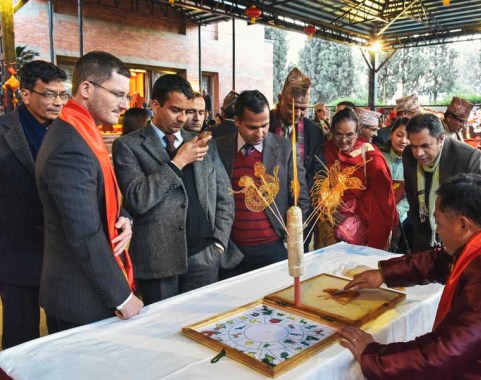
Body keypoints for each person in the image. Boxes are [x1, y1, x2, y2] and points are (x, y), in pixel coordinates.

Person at [338, 173, 481, 379]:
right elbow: (440, 262)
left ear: (463, 225)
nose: (437, 230)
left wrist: (373, 355)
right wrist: (383, 274)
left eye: (439, 222)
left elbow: (441, 354)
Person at [35, 51, 143, 333]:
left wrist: (125, 219)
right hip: (80, 294)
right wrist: (122, 296)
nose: (123, 105)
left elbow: (103, 196)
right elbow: (82, 233)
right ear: (86, 88)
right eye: (118, 94)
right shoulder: (69, 143)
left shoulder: (82, 130)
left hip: (88, 287)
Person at [113, 75, 239, 305]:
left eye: (187, 111)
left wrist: (218, 243)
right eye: (175, 110)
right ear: (155, 105)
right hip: (158, 261)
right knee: (162, 333)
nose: (182, 118)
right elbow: (138, 198)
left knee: (202, 325)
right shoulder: (128, 146)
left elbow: (225, 196)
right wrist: (177, 163)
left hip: (204, 255)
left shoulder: (203, 142)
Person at [0, 60, 67, 348]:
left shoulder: (69, 131)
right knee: (20, 338)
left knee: (63, 338)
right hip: (15, 253)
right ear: (26, 95)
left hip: (63, 255)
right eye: (49, 94)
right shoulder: (3, 130)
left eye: (62, 95)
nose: (57, 102)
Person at [216, 90, 310, 275]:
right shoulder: (219, 148)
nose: (260, 133)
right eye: (252, 127)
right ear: (237, 121)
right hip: (231, 249)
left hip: (274, 247)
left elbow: (301, 197)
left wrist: (292, 238)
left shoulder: (284, 148)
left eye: (265, 125)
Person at [403, 113, 481, 251]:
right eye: (414, 146)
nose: (418, 153)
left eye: (425, 145)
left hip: (461, 241)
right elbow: (411, 193)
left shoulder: (468, 157)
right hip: (423, 237)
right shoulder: (408, 154)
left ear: (441, 139)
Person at [312, 108, 397, 250]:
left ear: (357, 133)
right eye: (338, 135)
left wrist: (354, 208)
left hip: (363, 224)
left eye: (350, 135)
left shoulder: (371, 157)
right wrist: (328, 206)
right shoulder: (326, 150)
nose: (344, 141)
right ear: (331, 132)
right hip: (331, 222)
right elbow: (317, 183)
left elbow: (383, 197)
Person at [270, 68, 325, 189]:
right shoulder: (264, 125)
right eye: (292, 107)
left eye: (303, 108)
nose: (298, 114)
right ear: (280, 99)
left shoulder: (314, 133)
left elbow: (317, 171)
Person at [380, 118, 410, 224]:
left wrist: (396, 212)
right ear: (391, 133)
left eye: (409, 137)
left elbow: (411, 196)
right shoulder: (378, 156)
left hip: (400, 219)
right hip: (376, 214)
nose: (403, 141)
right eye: (399, 135)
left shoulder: (416, 163)